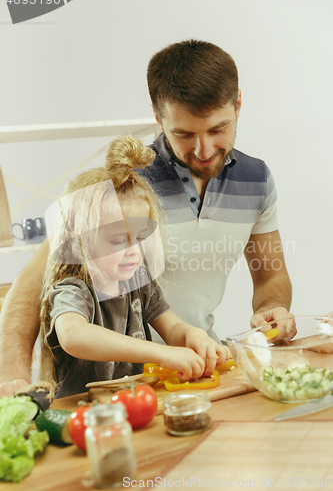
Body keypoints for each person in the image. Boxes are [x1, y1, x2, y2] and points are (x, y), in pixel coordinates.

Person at [0, 39, 295, 397]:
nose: (203, 150)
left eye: (218, 129)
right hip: (117, 387)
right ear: (158, 117)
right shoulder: (123, 187)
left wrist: (272, 309)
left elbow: (271, 274)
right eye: (184, 134)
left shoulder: (257, 180)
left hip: (191, 374)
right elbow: (30, 290)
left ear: (238, 105)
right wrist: (11, 381)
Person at [39, 135, 229, 398]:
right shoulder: (73, 289)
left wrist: (195, 336)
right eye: (118, 240)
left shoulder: (139, 282)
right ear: (81, 241)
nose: (134, 251)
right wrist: (161, 352)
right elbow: (74, 335)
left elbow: (173, 329)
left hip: (136, 402)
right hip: (85, 412)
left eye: (142, 238)